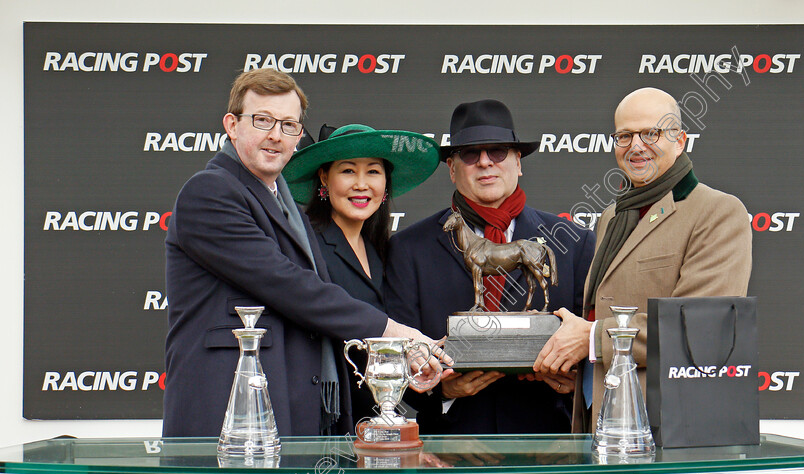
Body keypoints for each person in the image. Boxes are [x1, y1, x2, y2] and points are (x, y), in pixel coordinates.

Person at [163, 69, 445, 438]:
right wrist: (394, 334)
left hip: (290, 410)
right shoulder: (210, 191)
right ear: (232, 125)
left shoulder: (286, 205)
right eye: (263, 120)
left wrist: (400, 359)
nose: (276, 135)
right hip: (228, 411)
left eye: (289, 125)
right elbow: (288, 285)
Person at [532, 87, 752, 432]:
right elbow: (606, 311)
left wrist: (590, 339)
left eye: (651, 133)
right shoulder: (613, 216)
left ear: (680, 140)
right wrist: (587, 369)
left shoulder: (718, 211)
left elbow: (700, 328)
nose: (636, 146)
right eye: (624, 135)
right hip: (602, 419)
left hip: (667, 428)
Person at [385, 99, 596, 434]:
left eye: (497, 151)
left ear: (518, 162)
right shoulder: (408, 248)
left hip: (549, 446)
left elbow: (597, 341)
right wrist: (441, 389)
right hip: (449, 448)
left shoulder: (575, 241)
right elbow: (396, 352)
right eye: (470, 154)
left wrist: (574, 379)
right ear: (452, 169)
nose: (485, 163)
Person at [282, 123, 440, 425]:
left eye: (373, 171)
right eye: (348, 171)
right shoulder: (306, 247)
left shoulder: (385, 252)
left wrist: (422, 370)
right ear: (324, 178)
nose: (361, 184)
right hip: (321, 424)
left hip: (374, 424)